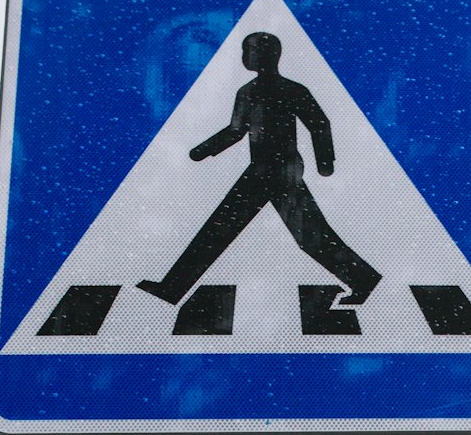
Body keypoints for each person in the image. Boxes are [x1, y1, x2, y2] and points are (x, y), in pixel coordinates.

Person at [139, 31, 381, 306]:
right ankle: (171, 289)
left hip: (283, 172)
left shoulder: (292, 89)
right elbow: (235, 131)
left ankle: (363, 279)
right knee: (220, 231)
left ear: (268, 55)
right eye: (245, 51)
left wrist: (325, 163)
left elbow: (319, 123)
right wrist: (204, 150)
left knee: (306, 237)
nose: (246, 56)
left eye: (250, 50)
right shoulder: (247, 92)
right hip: (260, 170)